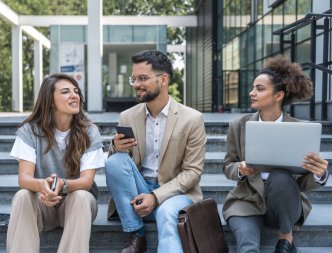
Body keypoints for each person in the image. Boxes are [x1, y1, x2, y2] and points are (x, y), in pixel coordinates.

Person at [223, 55, 329, 253]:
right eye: (253, 87)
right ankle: (286, 239)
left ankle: (285, 238)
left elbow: (305, 180)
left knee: (280, 176)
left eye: (259, 89)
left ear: (278, 96)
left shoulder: (300, 130)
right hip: (247, 201)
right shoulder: (238, 126)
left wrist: (320, 174)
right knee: (247, 248)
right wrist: (240, 169)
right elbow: (228, 165)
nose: (252, 93)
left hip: (286, 202)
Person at [105, 50, 206, 253]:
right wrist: (116, 147)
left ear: (164, 79)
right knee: (114, 161)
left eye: (143, 78)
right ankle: (137, 234)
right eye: (134, 78)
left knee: (167, 212)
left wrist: (156, 196)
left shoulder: (192, 119)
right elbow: (117, 169)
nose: (136, 84)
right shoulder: (127, 116)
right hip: (137, 194)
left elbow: (193, 172)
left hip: (175, 193)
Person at [6, 73, 104, 253]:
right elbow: (24, 178)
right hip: (44, 204)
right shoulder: (30, 131)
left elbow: (86, 182)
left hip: (77, 207)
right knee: (22, 196)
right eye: (66, 92)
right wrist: (42, 186)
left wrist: (62, 185)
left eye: (76, 91)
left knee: (82, 196)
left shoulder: (90, 131)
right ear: (50, 101)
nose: (74, 95)